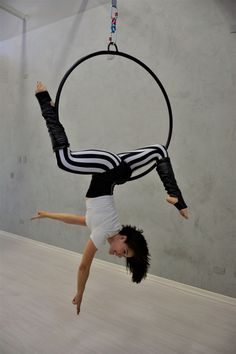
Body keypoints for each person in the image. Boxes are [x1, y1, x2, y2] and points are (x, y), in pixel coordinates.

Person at [32, 81, 188, 315]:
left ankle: (176, 197)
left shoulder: (103, 226)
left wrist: (47, 215)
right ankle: (46, 103)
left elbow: (75, 220)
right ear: (123, 237)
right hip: (110, 168)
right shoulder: (104, 231)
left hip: (117, 171)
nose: (116, 254)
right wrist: (80, 292)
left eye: (122, 256)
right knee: (65, 160)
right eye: (123, 251)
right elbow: (85, 264)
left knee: (159, 151)